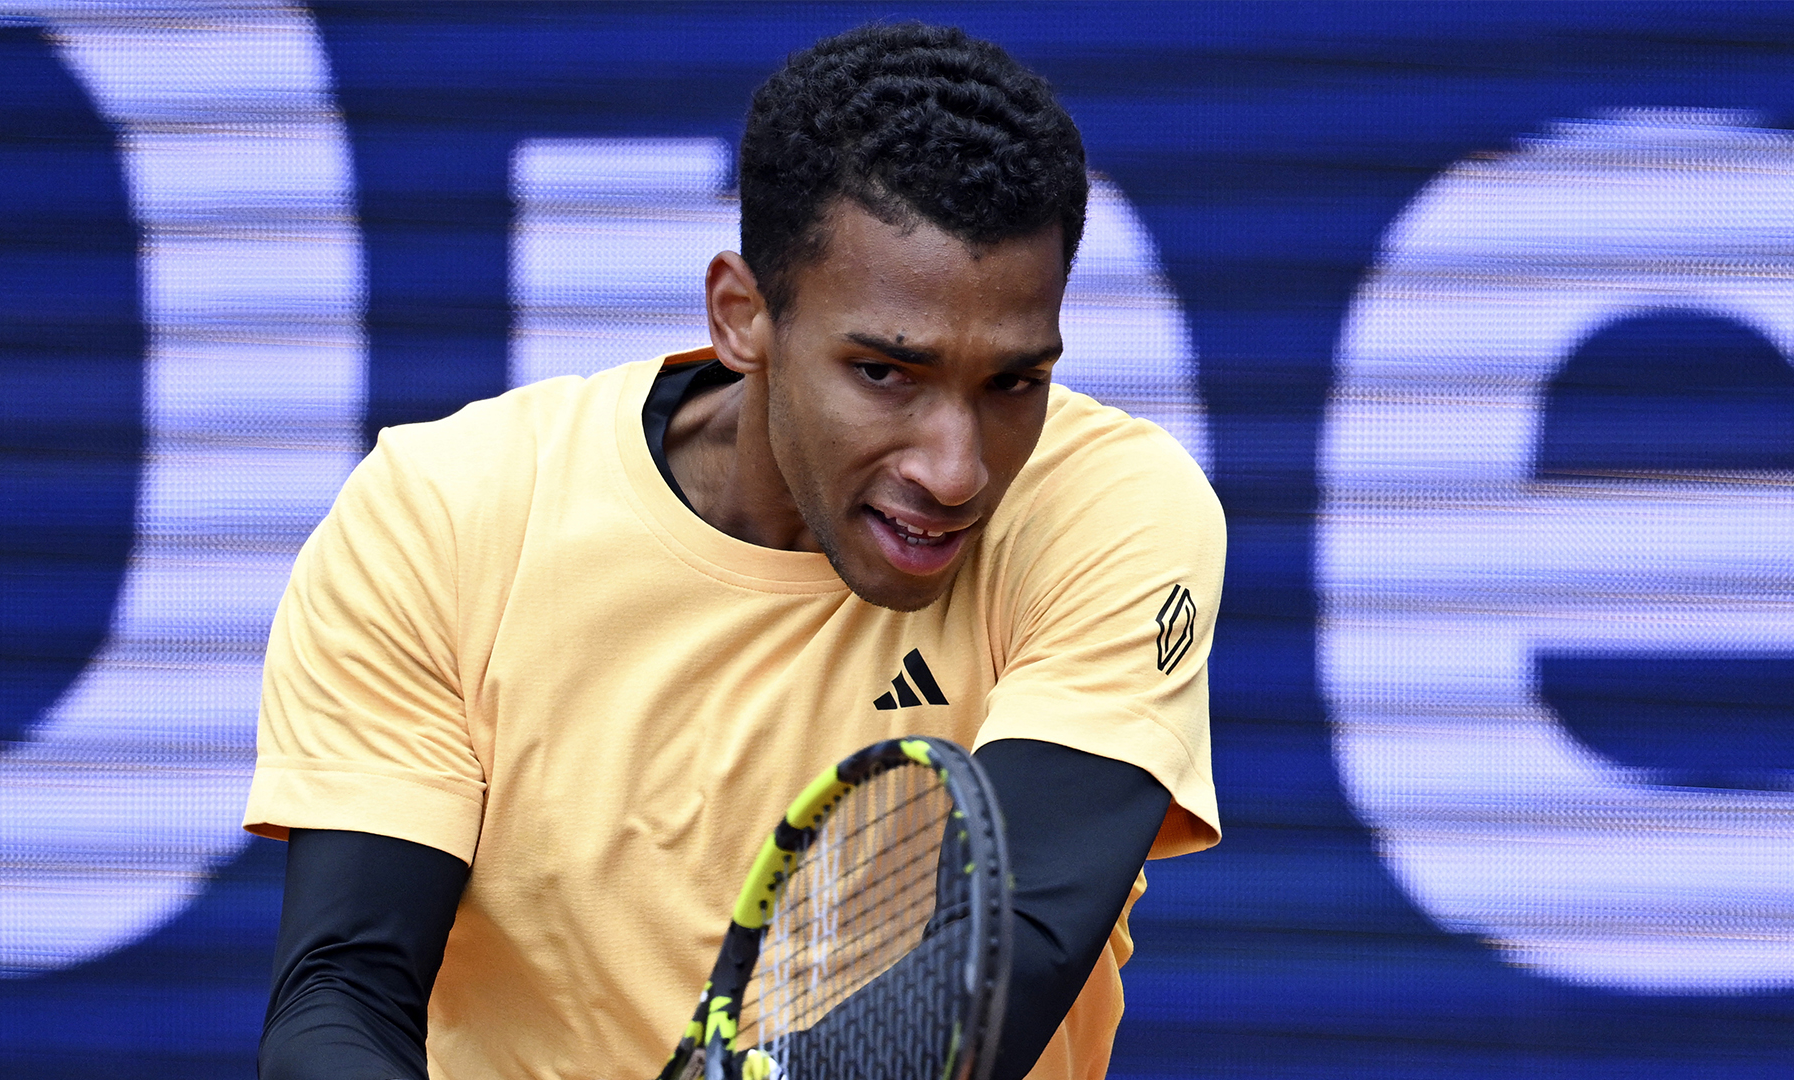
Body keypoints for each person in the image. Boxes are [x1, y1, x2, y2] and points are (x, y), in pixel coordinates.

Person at [245, 21, 1223, 1080]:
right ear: (742, 316)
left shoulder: (1109, 508)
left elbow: (1007, 949)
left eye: (1012, 383)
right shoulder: (445, 512)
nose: (955, 469)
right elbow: (342, 990)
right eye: (887, 373)